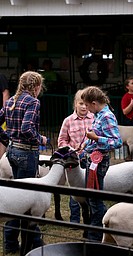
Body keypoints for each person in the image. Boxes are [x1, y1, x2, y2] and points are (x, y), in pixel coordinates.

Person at [0, 71, 47, 254]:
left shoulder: (11, 101)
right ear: (36, 86)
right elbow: (27, 128)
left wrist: (7, 139)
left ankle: (11, 242)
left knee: (16, 196)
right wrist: (41, 139)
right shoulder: (33, 102)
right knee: (25, 199)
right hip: (26, 153)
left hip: (12, 152)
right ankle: (34, 242)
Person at [80, 86, 122, 242]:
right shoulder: (99, 115)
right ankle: (97, 232)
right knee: (92, 198)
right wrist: (87, 143)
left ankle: (96, 236)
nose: (86, 109)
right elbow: (98, 134)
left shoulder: (106, 116)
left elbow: (117, 142)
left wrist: (96, 139)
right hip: (92, 160)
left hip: (99, 162)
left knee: (95, 199)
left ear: (94, 103)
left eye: (87, 105)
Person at [57, 89, 94, 224]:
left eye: (86, 104)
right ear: (75, 104)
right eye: (81, 104)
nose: (84, 107)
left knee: (90, 189)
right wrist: (71, 151)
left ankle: (90, 218)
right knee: (74, 190)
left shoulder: (94, 118)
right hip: (74, 160)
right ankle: (74, 219)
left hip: (91, 159)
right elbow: (61, 141)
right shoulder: (68, 121)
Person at [0, 73, 10, 157]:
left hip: (1, 114)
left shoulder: (1, 76)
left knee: (2, 138)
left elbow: (5, 93)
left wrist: (4, 111)